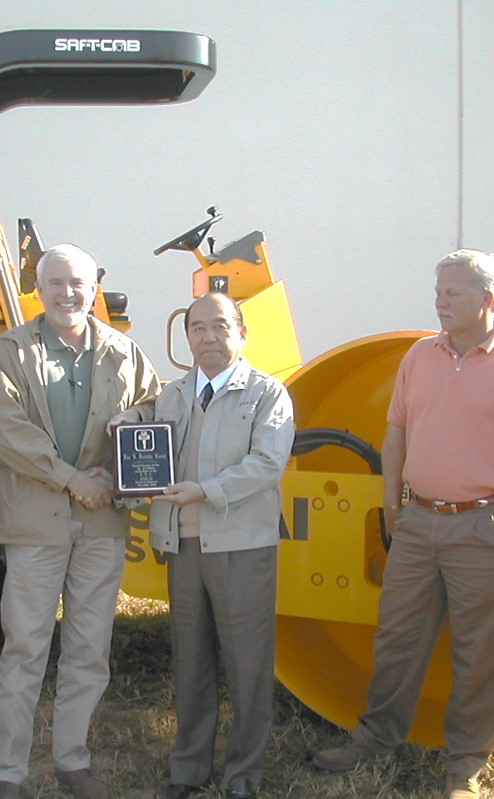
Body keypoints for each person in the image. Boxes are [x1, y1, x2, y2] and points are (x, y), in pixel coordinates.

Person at [310, 249, 494, 799]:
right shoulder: (418, 357)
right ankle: (375, 737)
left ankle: (465, 765)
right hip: (419, 522)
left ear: (488, 300)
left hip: (488, 527)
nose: (440, 300)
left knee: (479, 651)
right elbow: (397, 432)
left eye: (453, 292)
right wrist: (392, 505)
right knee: (397, 639)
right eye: (438, 290)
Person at [0, 244, 160, 799]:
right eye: (56, 282)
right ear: (38, 288)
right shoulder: (12, 350)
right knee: (26, 647)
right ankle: (7, 772)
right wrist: (70, 478)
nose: (67, 293)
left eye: (78, 282)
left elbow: (155, 407)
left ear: (94, 287)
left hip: (102, 523)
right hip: (36, 522)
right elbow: (7, 430)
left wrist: (136, 417)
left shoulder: (122, 352)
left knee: (89, 647)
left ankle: (72, 760)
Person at [119, 292, 294, 799]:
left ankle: (244, 775)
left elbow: (266, 464)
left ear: (241, 333)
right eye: (198, 327)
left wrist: (206, 491)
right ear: (187, 337)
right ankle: (188, 769)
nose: (209, 337)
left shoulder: (267, 394)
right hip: (184, 546)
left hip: (241, 548)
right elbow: (142, 421)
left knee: (247, 664)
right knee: (190, 661)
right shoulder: (172, 396)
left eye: (220, 326)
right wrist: (123, 427)